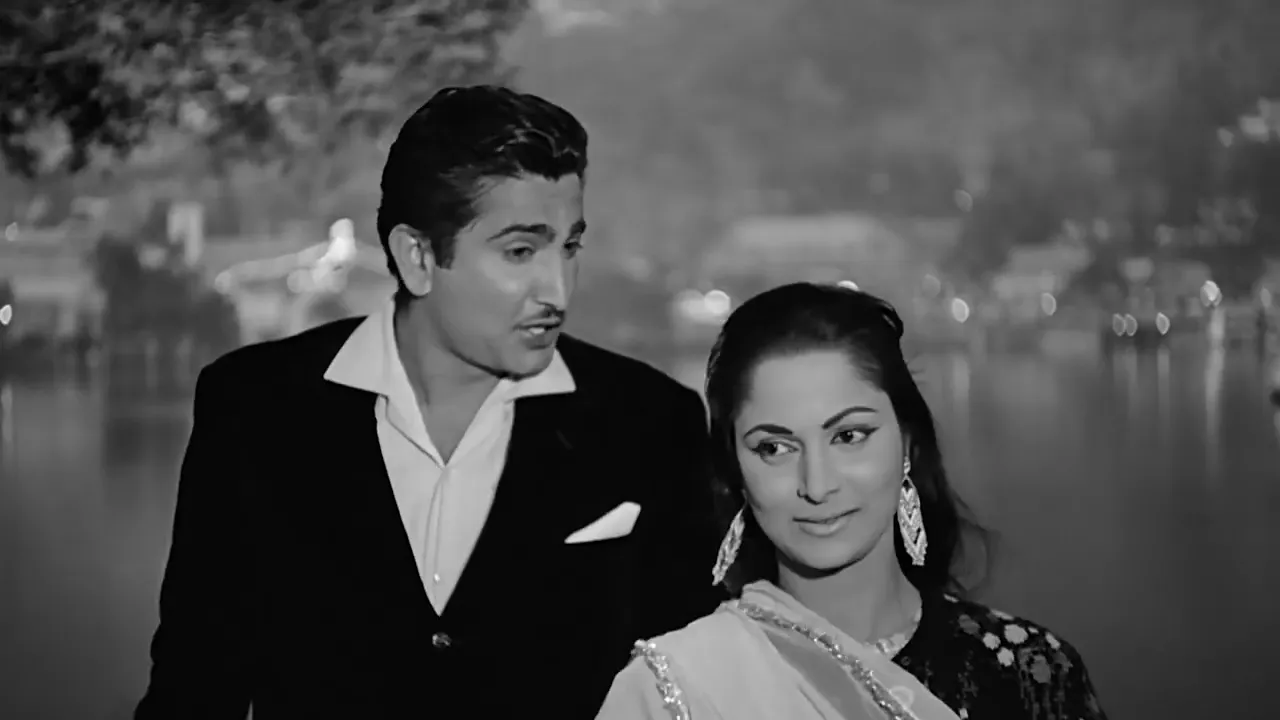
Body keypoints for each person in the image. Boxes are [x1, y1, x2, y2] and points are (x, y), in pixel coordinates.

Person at [135, 85, 723, 719]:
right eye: (520, 251)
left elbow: (687, 684)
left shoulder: (650, 419)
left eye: (569, 247)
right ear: (416, 257)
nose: (557, 289)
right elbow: (194, 686)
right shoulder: (254, 409)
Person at [596, 282, 1108, 720]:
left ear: (907, 444)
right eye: (774, 448)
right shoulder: (672, 688)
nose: (817, 485)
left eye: (849, 436)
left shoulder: (1032, 673)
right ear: (735, 472)